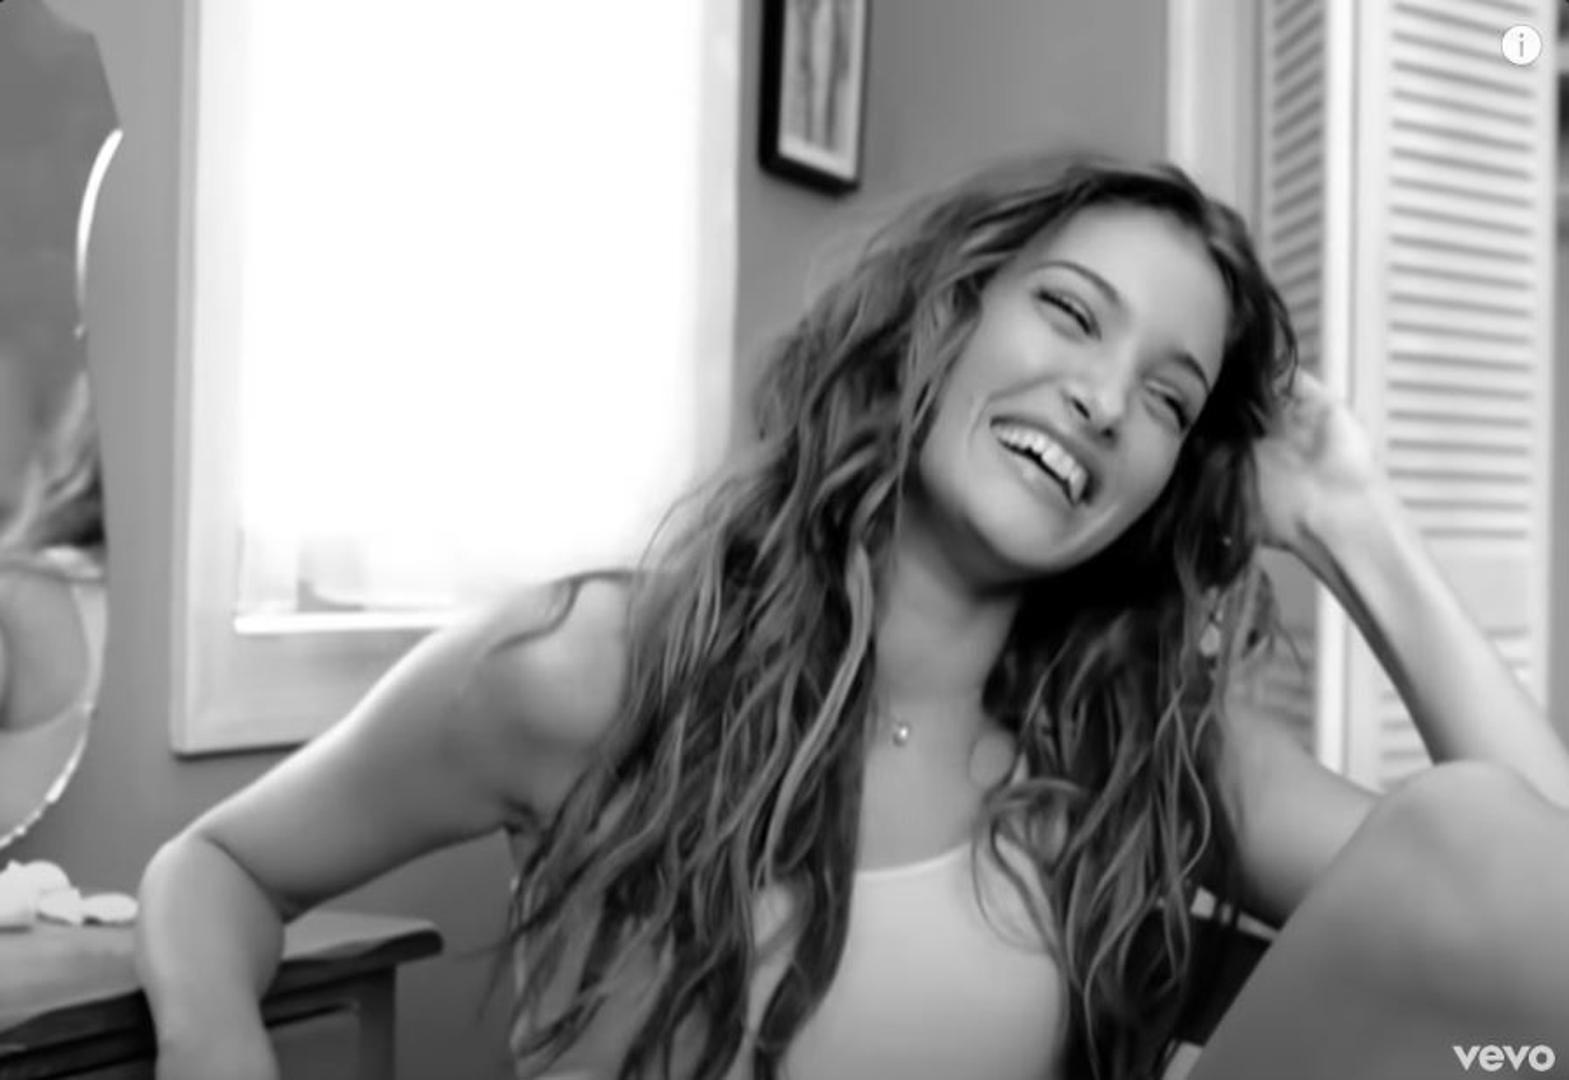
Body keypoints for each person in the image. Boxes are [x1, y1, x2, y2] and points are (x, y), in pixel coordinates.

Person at [135, 151, 1569, 1080]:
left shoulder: (1144, 750)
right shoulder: (590, 668)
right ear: (945, 313)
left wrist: (1351, 524)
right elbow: (221, 869)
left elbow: (1540, 914)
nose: (1100, 399)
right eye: (1072, 315)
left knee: (1477, 835)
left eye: (1165, 398)